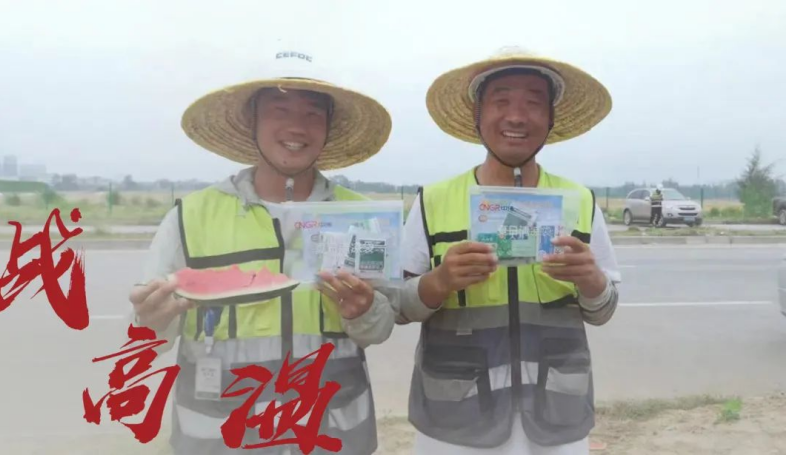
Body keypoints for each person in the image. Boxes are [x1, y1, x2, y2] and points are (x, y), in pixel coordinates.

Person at [129, 50, 396, 455]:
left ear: (327, 128)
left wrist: (364, 312)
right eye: (279, 110)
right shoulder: (190, 217)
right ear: (251, 121)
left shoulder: (360, 217)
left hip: (331, 437)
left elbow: (381, 328)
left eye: (312, 114)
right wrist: (151, 322)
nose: (296, 126)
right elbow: (146, 339)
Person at [398, 47, 621, 454]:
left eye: (533, 103)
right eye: (501, 101)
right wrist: (439, 281)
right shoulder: (432, 201)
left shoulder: (580, 202)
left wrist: (592, 281)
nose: (516, 117)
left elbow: (603, 311)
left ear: (551, 119)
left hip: (557, 417)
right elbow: (400, 307)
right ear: (477, 115)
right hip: (455, 421)